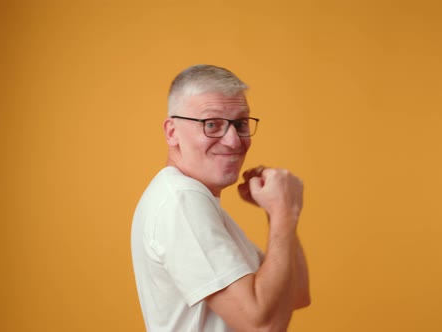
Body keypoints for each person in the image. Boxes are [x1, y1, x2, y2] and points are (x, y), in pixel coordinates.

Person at [131, 64, 311, 332]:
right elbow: (264, 326)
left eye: (240, 124)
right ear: (172, 132)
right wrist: (286, 212)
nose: (234, 141)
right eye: (212, 124)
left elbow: (295, 294)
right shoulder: (181, 199)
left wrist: (277, 212)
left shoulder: (198, 201)